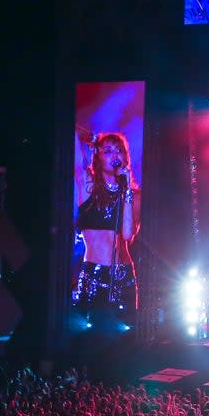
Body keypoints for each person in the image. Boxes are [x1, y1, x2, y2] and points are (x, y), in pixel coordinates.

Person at [73, 131, 141, 325]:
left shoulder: (134, 195)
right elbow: (73, 133)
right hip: (94, 274)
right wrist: (94, 140)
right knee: (93, 338)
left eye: (119, 150)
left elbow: (128, 234)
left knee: (126, 337)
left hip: (124, 274)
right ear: (97, 156)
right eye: (108, 151)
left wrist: (126, 189)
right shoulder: (88, 187)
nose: (115, 155)